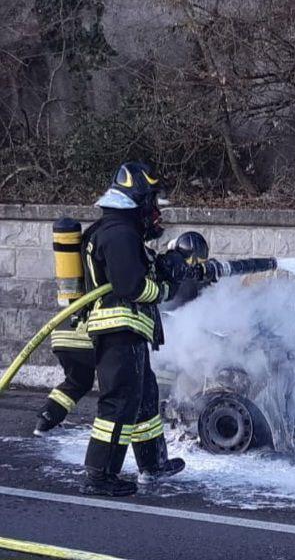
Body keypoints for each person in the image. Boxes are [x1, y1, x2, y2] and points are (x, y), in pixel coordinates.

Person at [79, 161, 190, 497]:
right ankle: (100, 475)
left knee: (143, 400)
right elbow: (130, 286)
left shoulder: (121, 232)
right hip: (117, 329)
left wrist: (164, 269)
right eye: (152, 202)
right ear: (138, 199)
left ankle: (153, 464)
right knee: (119, 404)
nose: (155, 211)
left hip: (129, 330)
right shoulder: (119, 233)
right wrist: (166, 290)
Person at [32, 231, 212, 437]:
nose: (195, 269)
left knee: (76, 382)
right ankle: (138, 432)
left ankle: (44, 420)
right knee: (137, 385)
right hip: (95, 335)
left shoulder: (130, 263)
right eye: (196, 262)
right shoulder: (165, 272)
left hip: (65, 331)